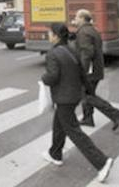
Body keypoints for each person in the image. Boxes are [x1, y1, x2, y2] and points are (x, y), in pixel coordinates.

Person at [41, 23, 114, 183]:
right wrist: (88, 91)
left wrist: (43, 78)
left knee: (74, 131)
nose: (48, 35)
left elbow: (52, 76)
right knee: (59, 124)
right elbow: (83, 74)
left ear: (55, 35)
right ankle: (55, 153)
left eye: (49, 33)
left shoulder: (53, 54)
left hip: (63, 97)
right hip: (74, 96)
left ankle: (101, 162)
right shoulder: (71, 50)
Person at [73, 9, 119, 130]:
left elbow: (87, 53)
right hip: (95, 69)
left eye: (77, 17)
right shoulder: (91, 30)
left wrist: (82, 72)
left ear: (83, 18)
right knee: (88, 94)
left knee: (86, 95)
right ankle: (88, 119)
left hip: (89, 71)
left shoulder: (84, 32)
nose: (75, 19)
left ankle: (114, 113)